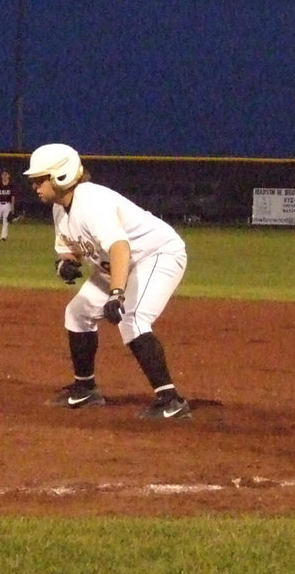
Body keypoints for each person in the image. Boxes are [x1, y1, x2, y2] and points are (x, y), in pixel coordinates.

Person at [23, 143, 191, 419]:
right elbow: (70, 248)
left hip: (156, 255)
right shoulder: (60, 207)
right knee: (77, 313)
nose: (34, 186)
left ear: (61, 176)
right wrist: (65, 263)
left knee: (133, 319)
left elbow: (119, 247)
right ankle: (86, 388)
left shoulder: (91, 202)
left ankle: (171, 401)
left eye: (40, 179)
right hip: (119, 264)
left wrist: (116, 293)